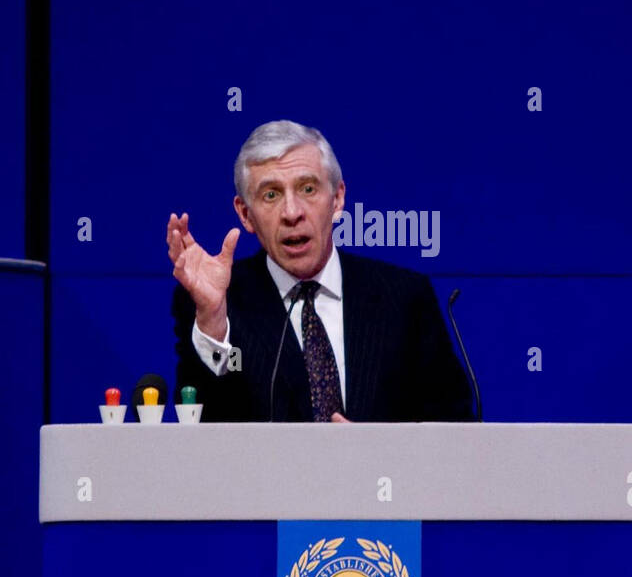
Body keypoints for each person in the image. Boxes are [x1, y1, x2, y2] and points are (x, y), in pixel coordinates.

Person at [168, 120, 474, 423]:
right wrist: (212, 320)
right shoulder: (219, 303)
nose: (292, 213)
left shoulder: (405, 299)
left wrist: (379, 453)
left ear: (338, 199)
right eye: (271, 195)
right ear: (246, 214)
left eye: (308, 188)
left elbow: (452, 429)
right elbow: (203, 430)